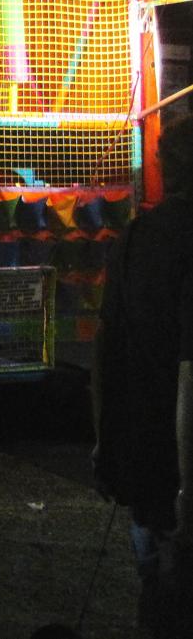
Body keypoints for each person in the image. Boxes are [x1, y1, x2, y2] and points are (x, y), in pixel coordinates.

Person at [92, 114, 193, 637]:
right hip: (171, 440)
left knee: (156, 591)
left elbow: (108, 347)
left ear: (164, 167)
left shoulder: (137, 238)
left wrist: (105, 440)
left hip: (148, 442)